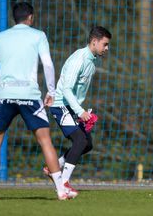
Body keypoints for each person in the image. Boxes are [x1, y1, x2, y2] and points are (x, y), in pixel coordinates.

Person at [0, 2, 69, 200]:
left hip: (4, 95)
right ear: (31, 18)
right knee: (45, 141)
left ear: (14, 18)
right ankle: (60, 190)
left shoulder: (0, 37)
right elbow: (48, 64)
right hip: (30, 95)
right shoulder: (38, 35)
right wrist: (51, 91)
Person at [45, 26, 111, 198]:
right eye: (105, 44)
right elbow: (66, 89)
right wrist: (80, 111)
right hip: (60, 105)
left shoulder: (93, 60)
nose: (107, 48)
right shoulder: (79, 59)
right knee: (80, 140)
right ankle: (64, 183)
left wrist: (80, 109)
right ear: (94, 42)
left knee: (87, 144)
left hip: (71, 107)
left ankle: (53, 166)